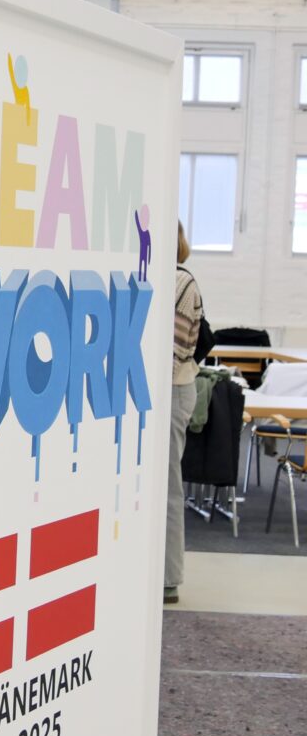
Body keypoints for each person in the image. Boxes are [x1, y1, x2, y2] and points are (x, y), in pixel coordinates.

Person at [165, 221, 203, 604]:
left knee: (168, 487)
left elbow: (172, 350)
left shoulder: (180, 283)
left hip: (173, 391)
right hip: (165, 390)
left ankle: (169, 578)